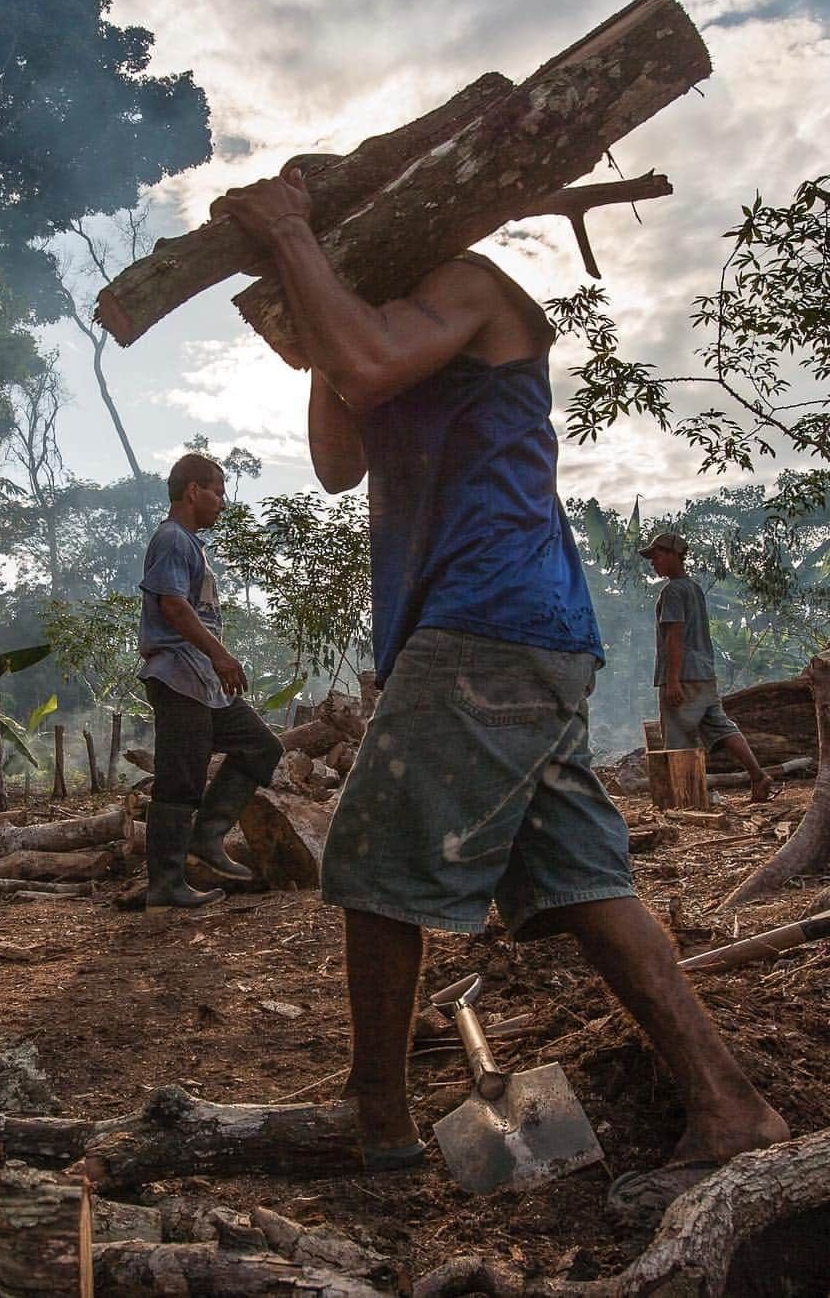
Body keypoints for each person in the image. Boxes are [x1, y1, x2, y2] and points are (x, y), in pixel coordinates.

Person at [209, 168, 788, 1179]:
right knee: (579, 878)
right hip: (511, 636)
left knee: (377, 857)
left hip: (492, 625)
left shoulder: (471, 287)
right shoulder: (382, 330)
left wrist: (296, 243)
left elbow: (372, 360)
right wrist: (313, 312)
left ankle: (376, 1116)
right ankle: (729, 1107)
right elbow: (340, 459)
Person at [138, 452, 283, 910]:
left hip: (201, 682)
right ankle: (166, 884)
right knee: (180, 780)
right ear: (193, 491)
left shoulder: (191, 544)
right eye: (217, 492)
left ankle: (208, 835)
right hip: (179, 676)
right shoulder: (172, 539)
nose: (223, 502)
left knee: (262, 745)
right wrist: (221, 655)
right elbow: (174, 607)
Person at [641, 531, 774, 801]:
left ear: (672, 555)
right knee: (721, 727)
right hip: (704, 675)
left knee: (678, 739)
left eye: (656, 556)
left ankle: (686, 800)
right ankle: (758, 776)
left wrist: (673, 679)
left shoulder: (673, 591)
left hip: (684, 677)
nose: (652, 562)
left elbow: (675, 636)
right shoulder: (694, 589)